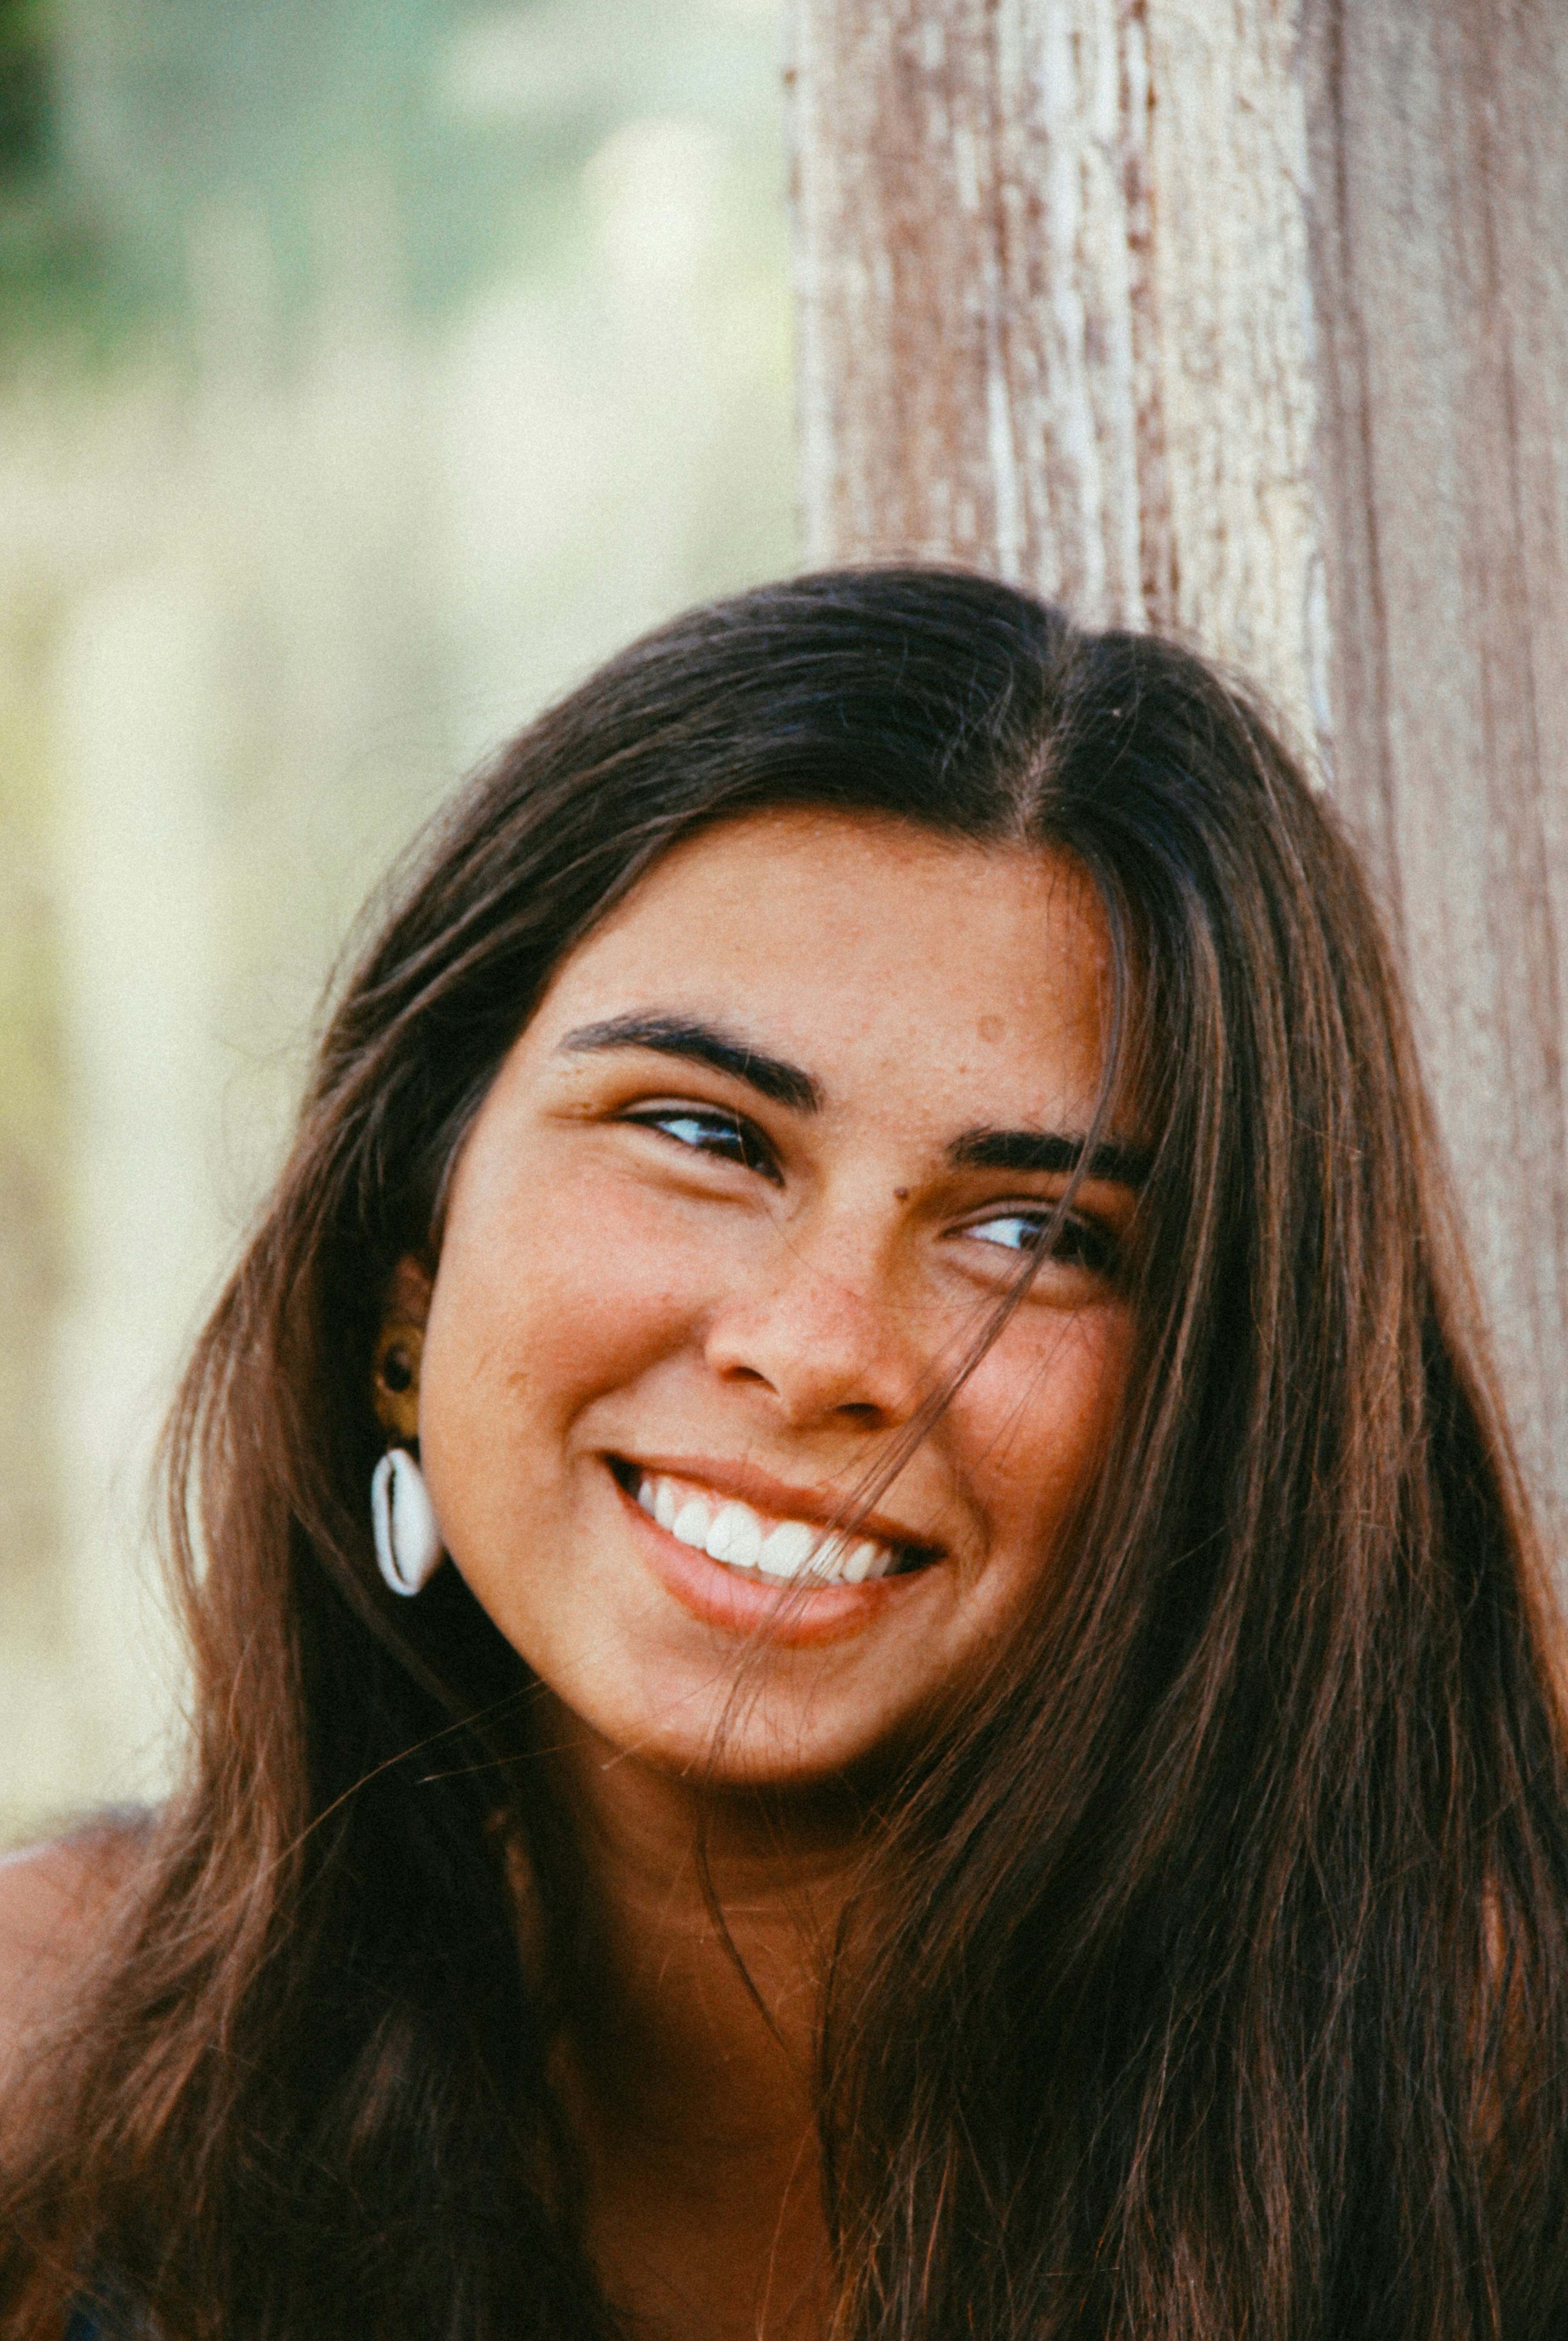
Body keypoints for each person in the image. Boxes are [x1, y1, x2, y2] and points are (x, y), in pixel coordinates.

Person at [2, 567, 1566, 2341]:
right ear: (410, 1253)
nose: (821, 1348)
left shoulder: (1490, 2100)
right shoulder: (71, 2082)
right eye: (701, 1131)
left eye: (1040, 1233)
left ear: (1230, 1406)